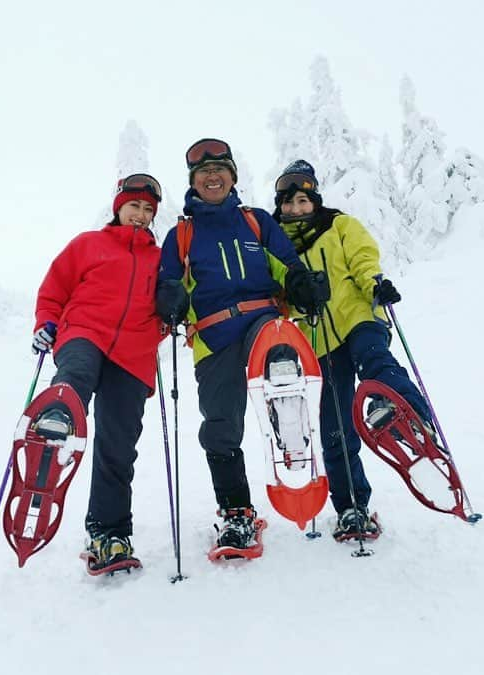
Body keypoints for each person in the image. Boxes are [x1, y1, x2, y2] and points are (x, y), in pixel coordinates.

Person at [154, 139, 328, 550]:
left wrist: (301, 283)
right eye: (203, 173)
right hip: (213, 339)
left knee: (280, 357)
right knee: (219, 429)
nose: (212, 177)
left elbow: (287, 264)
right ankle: (237, 514)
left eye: (220, 170)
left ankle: (295, 453)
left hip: (262, 322)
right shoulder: (181, 233)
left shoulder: (256, 222)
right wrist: (170, 298)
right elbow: (168, 282)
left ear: (233, 177)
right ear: (193, 183)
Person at [271, 159, 436, 541]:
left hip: (358, 315)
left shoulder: (340, 225)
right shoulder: (275, 243)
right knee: (335, 427)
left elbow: (363, 259)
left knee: (375, 360)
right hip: (317, 342)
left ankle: (412, 416)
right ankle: (350, 508)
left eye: (302, 201)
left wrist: (375, 284)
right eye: (289, 203)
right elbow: (278, 293)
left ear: (315, 201)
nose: (296, 209)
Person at [31, 173, 165, 569]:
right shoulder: (88, 244)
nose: (139, 215)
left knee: (118, 449)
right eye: (133, 206)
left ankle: (109, 533)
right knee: (74, 377)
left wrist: (174, 302)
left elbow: (179, 298)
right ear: (118, 208)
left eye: (147, 210)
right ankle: (55, 423)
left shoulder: (161, 259)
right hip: (84, 332)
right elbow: (54, 289)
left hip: (134, 352)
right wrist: (45, 321)